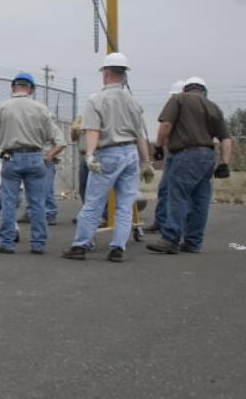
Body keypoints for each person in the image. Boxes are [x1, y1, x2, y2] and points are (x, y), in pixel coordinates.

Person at [63, 53, 153, 263]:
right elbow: (140, 135)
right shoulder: (133, 101)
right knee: (124, 204)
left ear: (105, 73)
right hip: (130, 153)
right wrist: (146, 161)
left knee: (93, 202)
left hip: (107, 153)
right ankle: (117, 248)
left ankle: (80, 245)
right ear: (124, 75)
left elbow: (93, 130)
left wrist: (90, 155)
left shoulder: (97, 99)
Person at [146, 77, 232, 255]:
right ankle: (193, 242)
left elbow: (166, 124)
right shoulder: (213, 107)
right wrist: (224, 163)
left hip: (186, 155)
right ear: (204, 91)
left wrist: (159, 146)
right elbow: (225, 138)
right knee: (200, 200)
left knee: (178, 195)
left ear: (186, 89)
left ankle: (170, 239)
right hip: (208, 156)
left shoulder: (178, 99)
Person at [0, 72, 64, 255]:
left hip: (11, 158)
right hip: (35, 157)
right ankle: (38, 243)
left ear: (13, 87)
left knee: (8, 202)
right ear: (31, 89)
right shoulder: (41, 109)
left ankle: (6, 242)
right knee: (37, 203)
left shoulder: (1, 108)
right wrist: (46, 156)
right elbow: (53, 138)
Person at [143, 80, 187, 234]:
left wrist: (159, 146)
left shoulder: (184, 110)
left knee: (176, 191)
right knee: (165, 189)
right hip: (175, 152)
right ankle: (162, 221)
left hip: (181, 154)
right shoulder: (181, 109)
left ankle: (171, 225)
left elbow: (166, 126)